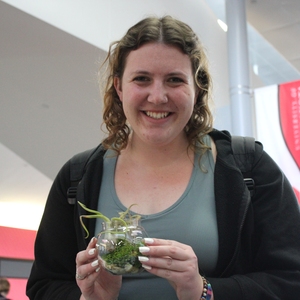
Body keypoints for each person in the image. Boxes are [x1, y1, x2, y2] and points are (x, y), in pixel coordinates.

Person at [26, 15, 300, 300]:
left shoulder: (250, 168)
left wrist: (204, 291)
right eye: (142, 79)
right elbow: (45, 285)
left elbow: (291, 281)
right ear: (119, 87)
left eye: (174, 80)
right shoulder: (78, 177)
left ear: (198, 88)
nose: (157, 97)